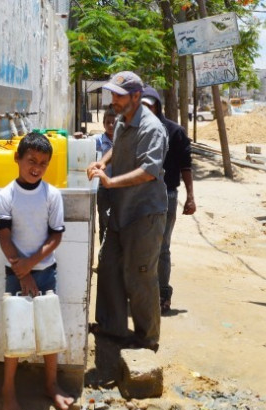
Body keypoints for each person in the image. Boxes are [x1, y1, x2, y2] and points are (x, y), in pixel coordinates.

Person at [0, 132, 75, 410]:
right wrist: (22, 271)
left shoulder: (52, 195)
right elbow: (4, 238)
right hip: (15, 273)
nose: (36, 167)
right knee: (15, 331)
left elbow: (55, 238)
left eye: (42, 163)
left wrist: (32, 265)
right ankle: (8, 389)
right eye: (31, 161)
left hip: (45, 273)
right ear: (17, 158)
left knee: (49, 328)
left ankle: (51, 385)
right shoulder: (5, 196)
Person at [86, 71, 168, 351]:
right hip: (122, 210)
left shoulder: (151, 128)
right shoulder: (123, 120)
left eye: (118, 95)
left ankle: (147, 337)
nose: (113, 101)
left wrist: (111, 181)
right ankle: (111, 326)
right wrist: (102, 163)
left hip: (144, 214)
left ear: (136, 96)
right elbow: (116, 147)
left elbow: (149, 171)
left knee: (140, 274)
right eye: (112, 95)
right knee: (108, 266)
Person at [141, 86, 197, 314]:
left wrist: (190, 197)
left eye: (150, 105)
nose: (146, 110)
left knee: (162, 247)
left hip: (166, 195)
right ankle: (142, 293)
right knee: (142, 246)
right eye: (142, 106)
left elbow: (186, 166)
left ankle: (163, 294)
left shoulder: (175, 131)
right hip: (140, 195)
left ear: (157, 106)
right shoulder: (136, 131)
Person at [93, 106, 117, 245]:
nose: (110, 125)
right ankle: (103, 258)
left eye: (113, 122)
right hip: (103, 188)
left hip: (119, 187)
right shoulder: (98, 140)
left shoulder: (123, 142)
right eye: (108, 122)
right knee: (104, 221)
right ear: (103, 123)